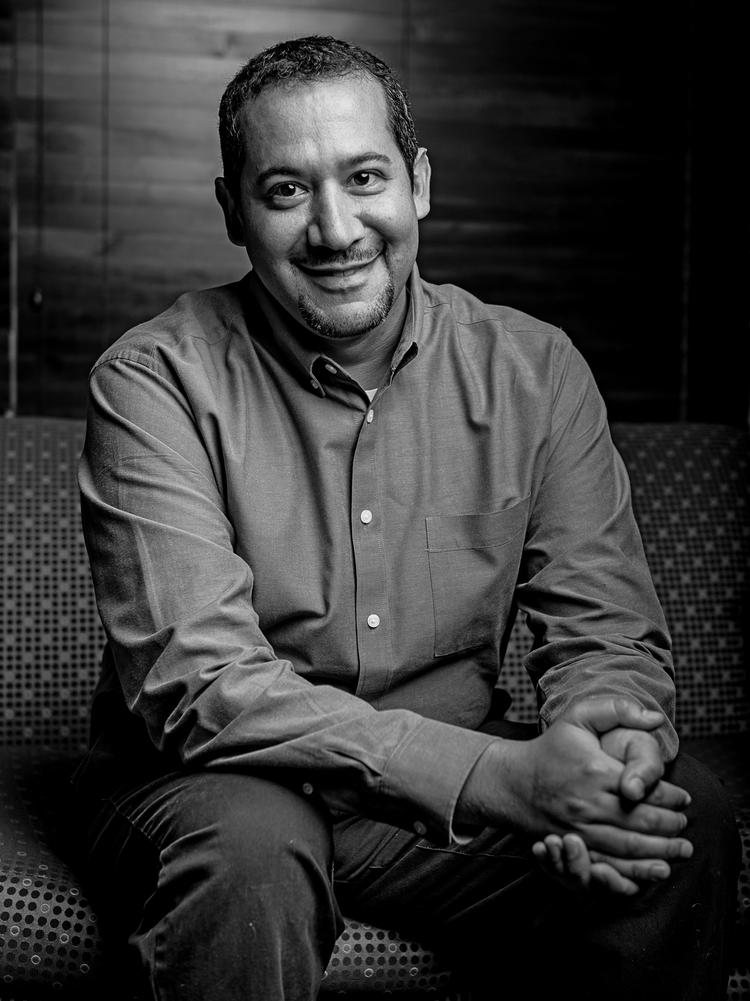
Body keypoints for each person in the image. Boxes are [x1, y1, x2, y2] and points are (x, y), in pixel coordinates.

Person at [74, 34, 739, 1001]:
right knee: (254, 849)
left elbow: (605, 633)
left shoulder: (535, 371)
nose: (335, 228)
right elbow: (200, 686)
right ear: (232, 211)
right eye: (286, 190)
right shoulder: (152, 381)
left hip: (435, 801)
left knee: (678, 822)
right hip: (211, 782)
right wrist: (496, 776)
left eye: (364, 177)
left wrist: (610, 752)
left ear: (418, 184)